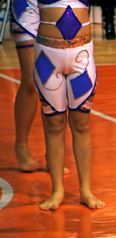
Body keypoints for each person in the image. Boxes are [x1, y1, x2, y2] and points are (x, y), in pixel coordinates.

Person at [33, 0, 104, 210]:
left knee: (81, 122)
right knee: (54, 124)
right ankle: (57, 190)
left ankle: (86, 190)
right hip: (47, 56)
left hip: (81, 56)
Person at [11, 0, 41, 172]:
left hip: (56, 7)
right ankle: (21, 145)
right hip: (27, 7)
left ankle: (52, 153)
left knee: (51, 86)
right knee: (31, 81)